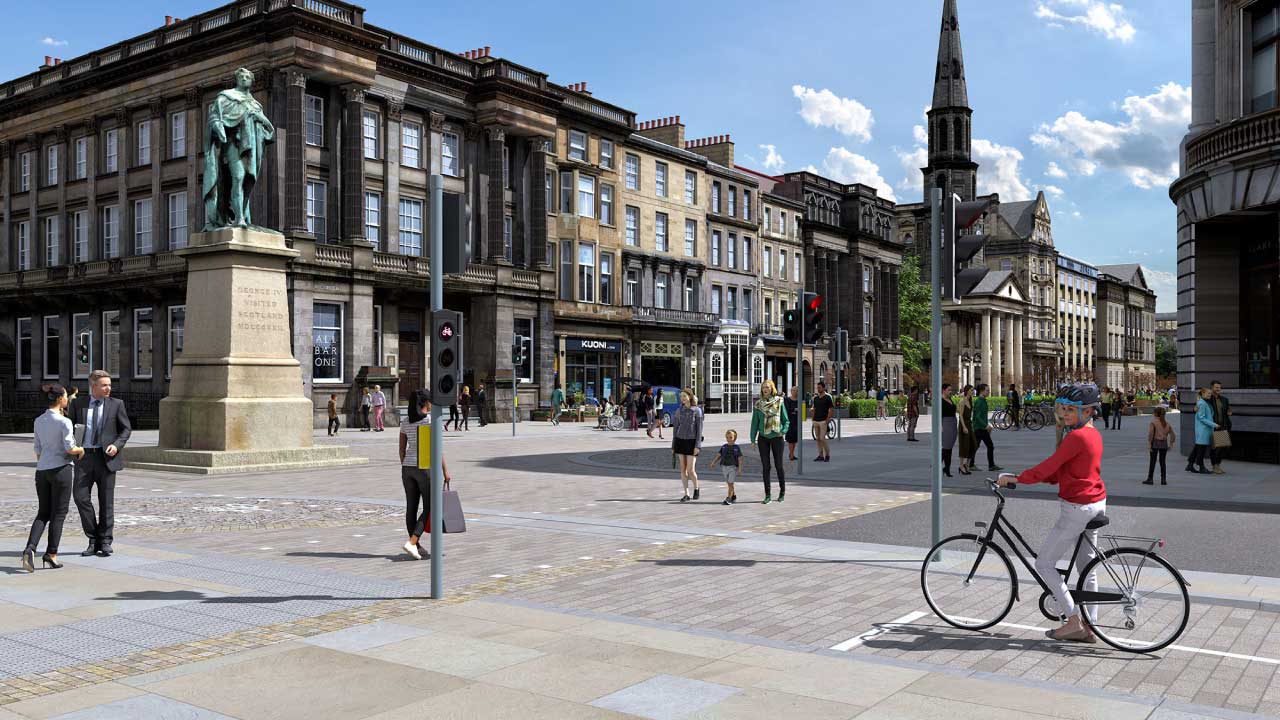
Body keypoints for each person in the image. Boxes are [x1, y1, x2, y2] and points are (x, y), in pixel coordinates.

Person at [996, 382, 1107, 643]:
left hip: (1077, 508)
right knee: (1087, 568)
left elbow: (1050, 466)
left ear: (1089, 411)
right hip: (1096, 501)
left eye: (1072, 410)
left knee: (1044, 563)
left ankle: (1073, 622)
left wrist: (1016, 478)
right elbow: (1063, 471)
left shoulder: (1076, 437)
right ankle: (1092, 627)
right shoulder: (1092, 434)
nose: (1066, 414)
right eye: (1063, 409)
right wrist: (1044, 476)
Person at [23, 385, 84, 572]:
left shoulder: (38, 421)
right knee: (58, 514)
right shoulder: (64, 422)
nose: (67, 399)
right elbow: (70, 448)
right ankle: (51, 554)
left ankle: (30, 548)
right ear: (59, 400)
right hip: (61, 470)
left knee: (43, 512)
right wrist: (80, 450)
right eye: (66, 396)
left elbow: (38, 450)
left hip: (42, 471)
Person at [70, 370, 131, 558]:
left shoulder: (116, 405)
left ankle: (105, 541)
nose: (108, 388)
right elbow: (69, 428)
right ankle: (93, 537)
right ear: (93, 386)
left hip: (106, 459)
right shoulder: (77, 404)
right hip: (84, 458)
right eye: (104, 385)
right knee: (80, 497)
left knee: (106, 502)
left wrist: (116, 445)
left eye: (109, 385)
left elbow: (125, 429)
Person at [398, 389, 451, 560]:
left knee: (411, 508)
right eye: (430, 401)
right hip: (424, 468)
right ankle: (412, 542)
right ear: (425, 403)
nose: (432, 404)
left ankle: (416, 546)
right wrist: (445, 471)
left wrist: (406, 465)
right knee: (430, 507)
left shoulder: (405, 421)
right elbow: (438, 449)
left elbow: (401, 449)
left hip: (407, 468)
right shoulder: (431, 421)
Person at [751, 380, 790, 503]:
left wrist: (782, 431)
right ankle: (767, 495)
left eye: (767, 387)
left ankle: (782, 492)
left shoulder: (779, 402)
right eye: (763, 387)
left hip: (777, 438)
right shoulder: (758, 404)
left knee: (779, 465)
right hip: (763, 438)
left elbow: (786, 420)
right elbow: (754, 423)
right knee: (766, 467)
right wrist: (753, 438)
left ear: (771, 388)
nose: (765, 389)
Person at [670, 390, 703, 502]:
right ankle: (686, 494)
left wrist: (697, 446)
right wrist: (673, 446)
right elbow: (675, 430)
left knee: (691, 470)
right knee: (683, 469)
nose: (682, 398)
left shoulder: (697, 411)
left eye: (684, 396)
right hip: (680, 441)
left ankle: (697, 488)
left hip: (692, 442)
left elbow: (699, 430)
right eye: (681, 397)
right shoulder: (679, 411)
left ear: (690, 396)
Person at [1187, 387, 1217, 474]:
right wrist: (1214, 425)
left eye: (1210, 393)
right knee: (1201, 449)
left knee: (1198, 447)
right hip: (1203, 429)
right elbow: (1201, 418)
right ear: (1203, 394)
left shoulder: (1204, 402)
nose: (1210, 395)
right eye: (1208, 393)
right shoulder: (1202, 403)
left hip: (1204, 429)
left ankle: (1190, 464)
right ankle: (1201, 467)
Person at [709, 429, 743, 506]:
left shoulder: (736, 447)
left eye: (730, 437)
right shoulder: (724, 447)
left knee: (730, 483)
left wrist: (740, 469)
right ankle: (733, 496)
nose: (729, 439)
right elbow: (719, 455)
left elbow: (740, 459)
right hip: (724, 467)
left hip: (732, 468)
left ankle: (729, 498)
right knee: (729, 483)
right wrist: (713, 462)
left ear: (734, 438)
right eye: (727, 437)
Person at [972, 384, 1001, 471]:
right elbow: (977, 416)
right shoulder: (979, 401)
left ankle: (970, 464)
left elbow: (983, 416)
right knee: (989, 446)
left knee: (976, 446)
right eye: (987, 390)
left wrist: (988, 425)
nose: (989, 392)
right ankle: (991, 465)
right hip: (979, 428)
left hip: (982, 427)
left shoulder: (983, 400)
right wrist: (986, 426)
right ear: (981, 391)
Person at [1145, 406, 1175, 486]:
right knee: (1162, 462)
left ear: (1155, 414)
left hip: (1155, 443)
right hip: (1164, 444)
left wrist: (1149, 443)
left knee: (1153, 461)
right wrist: (1171, 444)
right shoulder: (1167, 424)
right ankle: (1163, 479)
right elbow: (1172, 434)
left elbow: (1151, 434)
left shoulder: (1153, 423)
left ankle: (1150, 479)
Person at [1209, 381, 1232, 475]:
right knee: (1215, 448)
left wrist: (1229, 412)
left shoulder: (1224, 399)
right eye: (1216, 387)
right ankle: (1214, 466)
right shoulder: (1208, 399)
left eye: (1219, 387)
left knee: (1223, 447)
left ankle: (1217, 465)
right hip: (1213, 426)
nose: (1218, 389)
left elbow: (1227, 410)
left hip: (1223, 426)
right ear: (1212, 388)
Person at [810, 381, 834, 462]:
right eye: (817, 387)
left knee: (822, 438)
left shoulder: (828, 397)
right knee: (817, 439)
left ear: (824, 388)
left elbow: (831, 409)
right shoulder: (816, 398)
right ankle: (820, 455)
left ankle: (827, 454)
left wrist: (827, 420)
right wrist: (812, 419)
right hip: (816, 420)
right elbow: (814, 408)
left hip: (823, 421)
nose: (818, 389)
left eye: (819, 387)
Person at [956, 385, 975, 475]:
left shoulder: (970, 401)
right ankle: (961, 466)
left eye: (973, 390)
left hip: (969, 424)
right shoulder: (962, 401)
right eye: (971, 390)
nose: (973, 391)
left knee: (974, 444)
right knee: (964, 446)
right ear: (967, 391)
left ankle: (967, 464)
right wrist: (964, 427)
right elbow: (960, 415)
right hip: (963, 425)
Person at [940, 384, 957, 477]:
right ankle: (939, 465)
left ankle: (947, 468)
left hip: (953, 423)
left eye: (951, 390)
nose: (950, 391)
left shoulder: (950, 399)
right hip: (945, 423)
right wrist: (941, 425)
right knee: (946, 447)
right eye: (948, 390)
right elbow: (939, 414)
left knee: (949, 448)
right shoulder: (940, 401)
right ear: (943, 390)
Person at [784, 386, 800, 460]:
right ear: (791, 391)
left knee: (795, 440)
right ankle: (791, 455)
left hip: (796, 422)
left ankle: (792, 454)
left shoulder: (799, 400)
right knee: (790, 440)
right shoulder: (787, 400)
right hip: (790, 422)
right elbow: (786, 410)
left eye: (796, 390)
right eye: (793, 390)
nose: (795, 392)